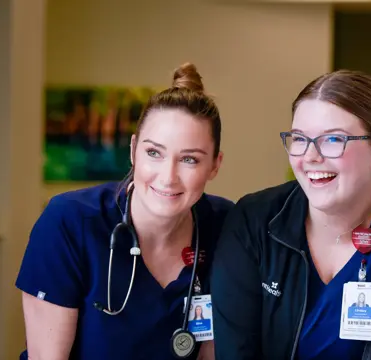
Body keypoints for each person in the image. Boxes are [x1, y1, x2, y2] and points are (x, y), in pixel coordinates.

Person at [210, 69, 371, 360]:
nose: (311, 157)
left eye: (332, 140)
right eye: (300, 139)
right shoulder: (254, 220)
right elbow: (235, 352)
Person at [16, 62, 233, 360]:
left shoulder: (226, 227)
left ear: (215, 165)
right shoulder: (70, 222)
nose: (168, 177)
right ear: (133, 150)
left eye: (190, 160)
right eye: (154, 153)